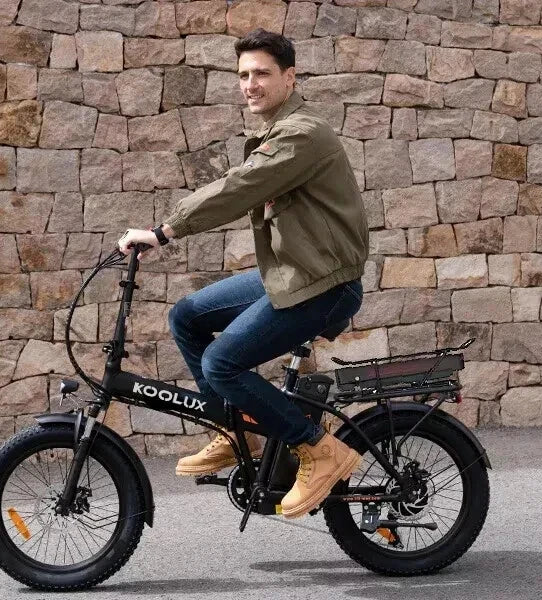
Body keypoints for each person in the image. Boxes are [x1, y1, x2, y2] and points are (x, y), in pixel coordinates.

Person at [118, 29, 369, 519]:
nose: (250, 84)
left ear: (290, 77)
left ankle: (318, 448)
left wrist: (163, 231)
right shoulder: (278, 131)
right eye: (243, 75)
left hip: (324, 284)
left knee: (220, 364)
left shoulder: (301, 134)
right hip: (292, 275)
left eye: (261, 74)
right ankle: (238, 433)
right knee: (187, 316)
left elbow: (240, 187)